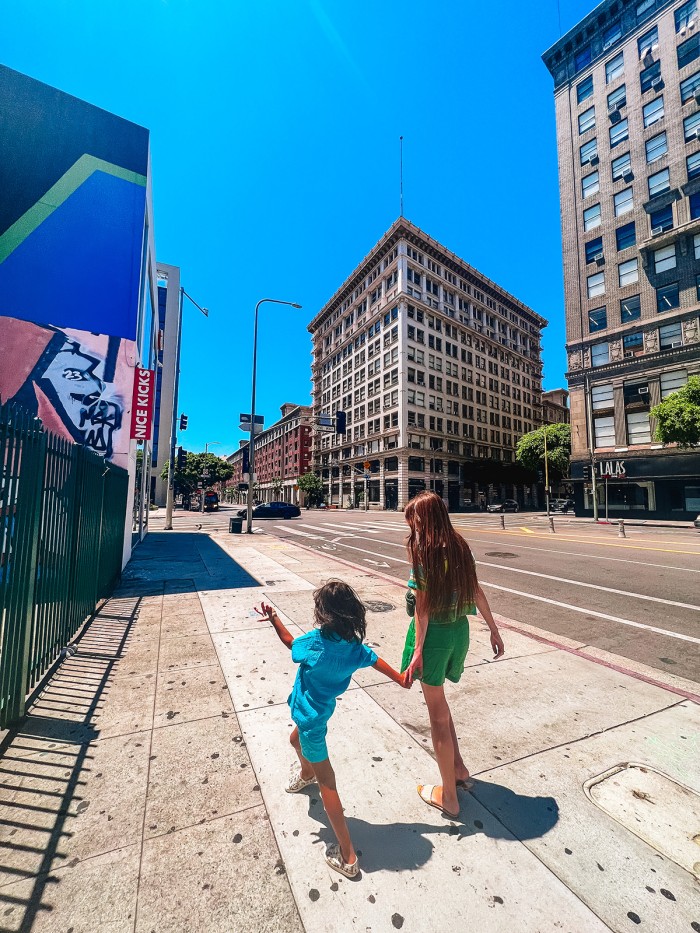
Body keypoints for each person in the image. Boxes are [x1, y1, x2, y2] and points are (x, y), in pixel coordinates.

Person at [255, 581, 410, 878]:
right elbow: (376, 660)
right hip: (318, 714)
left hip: (311, 719)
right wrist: (400, 678)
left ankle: (348, 855)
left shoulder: (315, 642)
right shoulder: (354, 649)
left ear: (323, 614)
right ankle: (306, 772)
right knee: (293, 741)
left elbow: (290, 643)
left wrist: (274, 618)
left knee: (328, 785)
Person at [401, 490, 505, 820]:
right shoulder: (460, 545)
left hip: (434, 637)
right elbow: (475, 590)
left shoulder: (424, 551)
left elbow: (423, 608)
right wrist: (493, 628)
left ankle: (448, 797)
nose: (413, 527)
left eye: (415, 520)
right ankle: (458, 769)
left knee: (436, 716)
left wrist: (418, 651)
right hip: (459, 631)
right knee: (442, 707)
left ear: (426, 519)